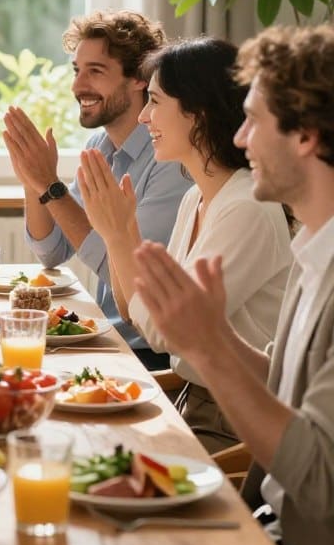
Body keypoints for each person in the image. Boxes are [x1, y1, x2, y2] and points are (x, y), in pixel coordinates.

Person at [132, 25, 334, 545]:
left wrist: (210, 348)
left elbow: (317, 483)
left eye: (253, 121)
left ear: (306, 135)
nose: (239, 138)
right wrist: (207, 338)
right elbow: (281, 384)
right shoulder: (315, 252)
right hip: (264, 513)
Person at [76, 38, 291, 452]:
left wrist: (122, 234)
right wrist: (113, 232)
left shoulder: (246, 208)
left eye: (154, 102)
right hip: (191, 401)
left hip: (234, 422)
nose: (143, 117)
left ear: (198, 112)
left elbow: (164, 333)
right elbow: (133, 311)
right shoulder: (197, 197)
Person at [3, 9, 192, 368]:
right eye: (77, 70)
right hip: (111, 338)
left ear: (139, 79)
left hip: (149, 355)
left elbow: (123, 271)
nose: (77, 86)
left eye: (96, 71)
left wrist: (48, 183)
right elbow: (53, 250)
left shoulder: (170, 160)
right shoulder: (100, 146)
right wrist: (32, 181)